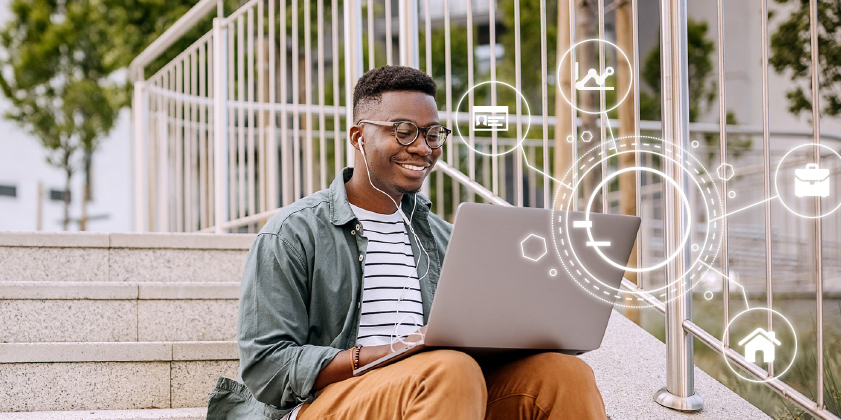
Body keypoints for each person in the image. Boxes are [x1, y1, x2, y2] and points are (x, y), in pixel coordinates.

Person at [206, 65, 607, 420]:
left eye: (433, 134)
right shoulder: (292, 233)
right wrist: (396, 351)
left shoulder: (448, 239)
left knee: (562, 375)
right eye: (404, 131)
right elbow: (266, 367)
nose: (422, 148)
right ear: (358, 136)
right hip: (323, 402)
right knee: (448, 369)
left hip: (442, 391)